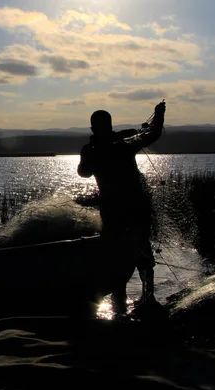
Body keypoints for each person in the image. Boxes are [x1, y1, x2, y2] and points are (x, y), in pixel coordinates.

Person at [77, 101, 166, 314]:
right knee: (121, 254)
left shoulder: (123, 142)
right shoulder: (94, 149)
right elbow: (84, 172)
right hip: (118, 210)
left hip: (130, 208)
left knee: (139, 251)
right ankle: (125, 300)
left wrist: (158, 116)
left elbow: (151, 135)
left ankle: (144, 298)